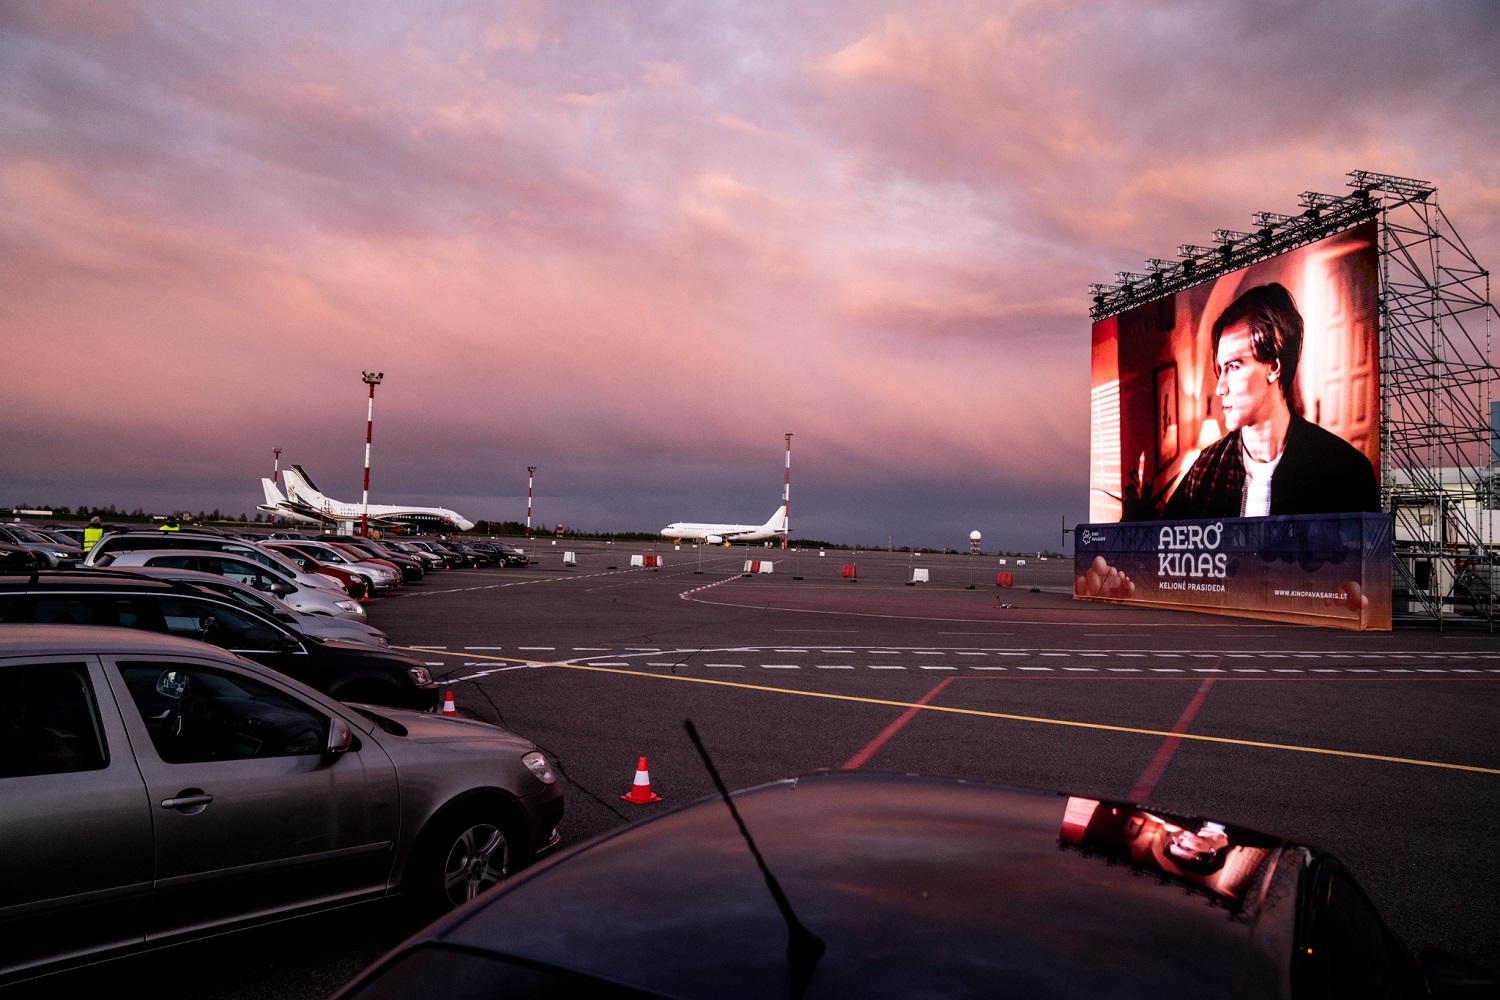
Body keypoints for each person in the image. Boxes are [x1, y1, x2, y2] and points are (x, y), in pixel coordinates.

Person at [1161, 283, 1378, 519]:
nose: (1220, 388)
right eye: (1220, 369)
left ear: (1273, 367)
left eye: (1233, 366)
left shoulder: (1344, 472)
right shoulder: (1205, 470)